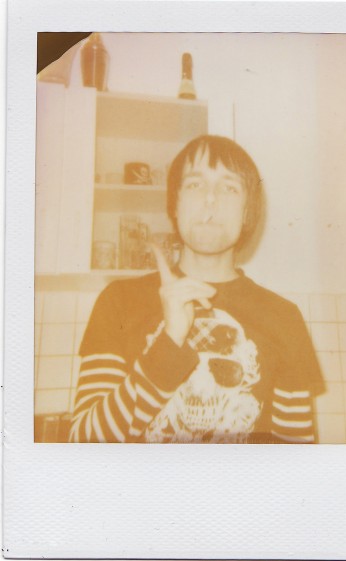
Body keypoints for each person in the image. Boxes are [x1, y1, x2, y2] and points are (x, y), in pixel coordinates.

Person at [69, 135, 325, 444]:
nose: (210, 199)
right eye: (195, 184)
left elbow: (295, 458)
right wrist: (168, 343)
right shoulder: (119, 301)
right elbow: (84, 445)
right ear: (175, 204)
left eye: (229, 188)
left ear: (247, 211)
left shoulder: (285, 318)